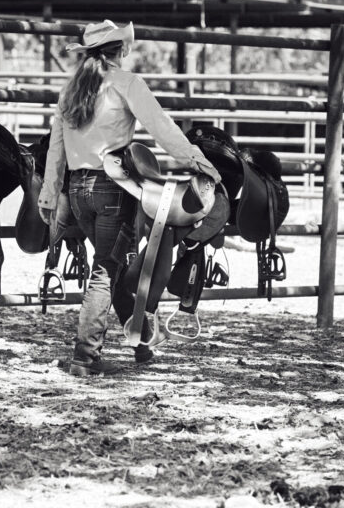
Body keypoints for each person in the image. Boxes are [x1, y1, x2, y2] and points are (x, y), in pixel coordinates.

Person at [38, 20, 221, 377]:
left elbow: (55, 150)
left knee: (113, 265)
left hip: (77, 190)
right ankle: (85, 356)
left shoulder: (70, 90)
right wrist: (200, 163)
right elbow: (162, 128)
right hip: (112, 188)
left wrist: (49, 195)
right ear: (119, 50)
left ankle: (140, 343)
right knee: (106, 271)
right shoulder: (127, 84)